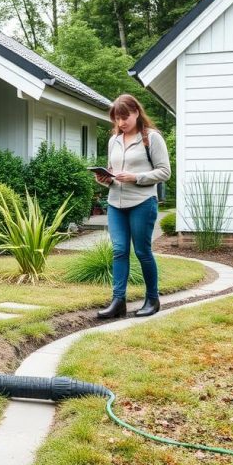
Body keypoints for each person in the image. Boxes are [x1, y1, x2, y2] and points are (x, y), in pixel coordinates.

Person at [93, 94, 171, 319]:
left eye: (125, 117)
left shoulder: (152, 138)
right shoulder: (114, 140)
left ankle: (152, 299)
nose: (121, 123)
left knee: (142, 251)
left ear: (137, 112)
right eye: (117, 119)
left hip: (142, 203)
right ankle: (118, 302)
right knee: (119, 251)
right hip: (115, 203)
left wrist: (136, 177)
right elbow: (112, 168)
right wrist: (105, 178)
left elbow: (164, 172)